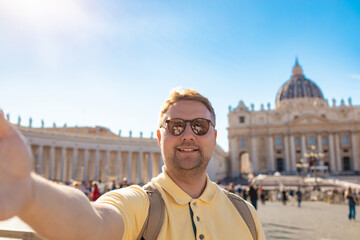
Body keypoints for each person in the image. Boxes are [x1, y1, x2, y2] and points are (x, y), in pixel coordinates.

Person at [0, 89, 265, 240]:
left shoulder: (245, 214)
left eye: (200, 125)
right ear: (159, 138)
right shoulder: (141, 205)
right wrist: (28, 192)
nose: (188, 134)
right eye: (176, 126)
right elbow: (95, 224)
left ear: (214, 137)